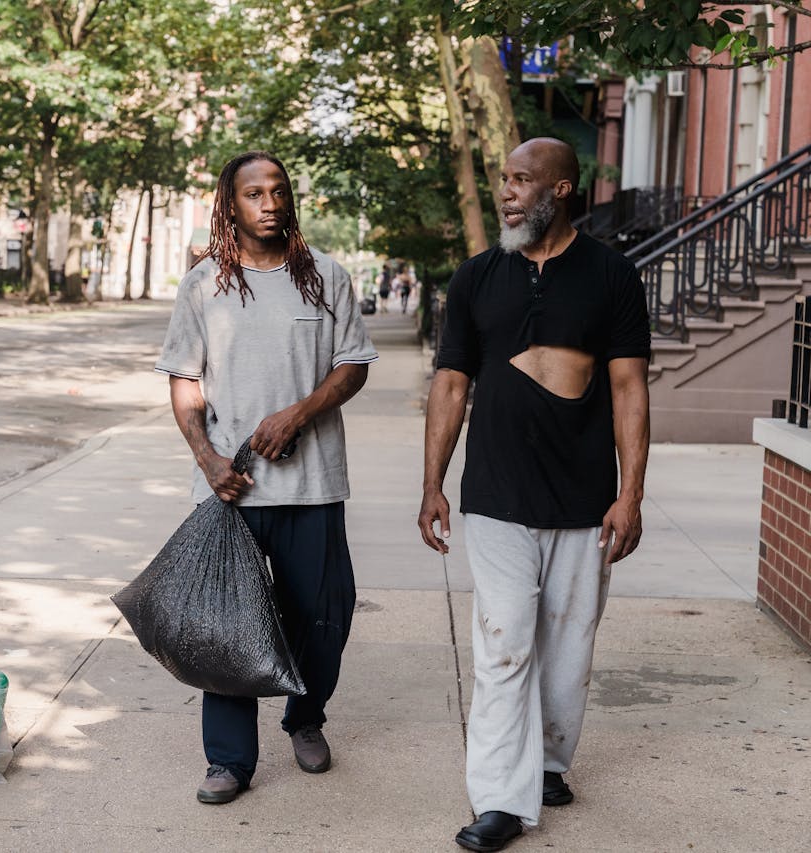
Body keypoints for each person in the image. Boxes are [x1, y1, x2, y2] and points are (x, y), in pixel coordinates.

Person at [418, 137, 650, 851]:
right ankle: (500, 798)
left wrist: (631, 493)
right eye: (504, 180)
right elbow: (452, 384)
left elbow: (628, 388)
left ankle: (548, 763)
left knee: (569, 649)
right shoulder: (476, 278)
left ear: (563, 190)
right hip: (494, 497)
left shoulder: (611, 276)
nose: (508, 192)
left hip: (584, 502)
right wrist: (432, 482)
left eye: (523, 180)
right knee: (504, 647)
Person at [155, 150, 378, 806]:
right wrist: (208, 459)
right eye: (255, 193)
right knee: (228, 624)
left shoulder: (325, 277)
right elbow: (184, 378)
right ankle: (228, 758)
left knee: (325, 615)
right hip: (233, 488)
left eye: (278, 190)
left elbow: (354, 363)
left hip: (313, 484)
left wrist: (300, 412)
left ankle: (305, 717)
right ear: (231, 205)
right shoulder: (203, 286)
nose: (270, 202)